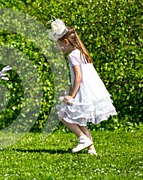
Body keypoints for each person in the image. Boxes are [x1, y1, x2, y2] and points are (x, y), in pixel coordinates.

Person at [49, 19, 117, 155]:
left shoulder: (73, 56)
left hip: (82, 92)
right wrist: (69, 89)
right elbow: (79, 77)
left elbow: (79, 77)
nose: (56, 48)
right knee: (79, 120)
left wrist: (71, 96)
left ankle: (82, 139)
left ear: (66, 42)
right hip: (90, 91)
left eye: (58, 45)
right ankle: (91, 150)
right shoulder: (81, 53)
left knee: (61, 114)